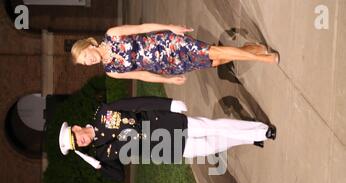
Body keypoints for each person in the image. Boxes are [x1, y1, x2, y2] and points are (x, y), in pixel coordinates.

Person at [59, 97, 276, 182]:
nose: (81, 142)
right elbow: (119, 176)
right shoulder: (100, 153)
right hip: (166, 148)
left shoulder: (103, 113)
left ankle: (260, 131)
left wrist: (168, 104)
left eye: (76, 138)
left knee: (214, 126)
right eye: (77, 145)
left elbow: (137, 104)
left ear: (77, 128)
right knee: (212, 145)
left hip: (163, 123)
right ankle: (249, 138)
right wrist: (98, 166)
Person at [71, 23, 280, 85]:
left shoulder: (112, 35)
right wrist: (168, 81)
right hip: (168, 65)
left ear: (88, 45)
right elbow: (142, 75)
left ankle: (263, 58)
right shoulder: (112, 71)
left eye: (85, 56)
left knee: (212, 51)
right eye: (85, 63)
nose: (89, 61)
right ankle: (253, 49)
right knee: (215, 60)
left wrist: (169, 28)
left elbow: (142, 28)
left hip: (170, 44)